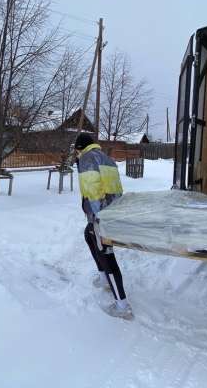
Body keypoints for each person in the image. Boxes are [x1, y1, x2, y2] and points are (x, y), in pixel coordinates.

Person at [74, 133, 132, 320]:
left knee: (106, 255)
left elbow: (93, 191)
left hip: (103, 216)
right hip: (113, 211)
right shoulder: (107, 159)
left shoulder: (87, 159)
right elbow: (117, 189)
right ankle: (103, 277)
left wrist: (98, 219)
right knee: (88, 235)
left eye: (76, 151)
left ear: (80, 148)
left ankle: (122, 306)